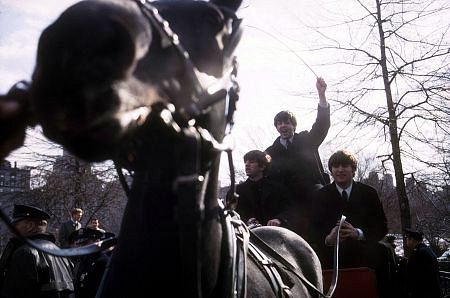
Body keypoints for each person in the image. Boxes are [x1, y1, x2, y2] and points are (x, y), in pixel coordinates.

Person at [309, 150, 389, 295]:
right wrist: (328, 239)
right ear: (331, 171)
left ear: (353, 170)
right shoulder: (320, 195)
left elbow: (382, 226)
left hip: (364, 255)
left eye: (345, 165)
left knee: (384, 254)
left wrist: (358, 233)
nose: (340, 170)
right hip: (331, 257)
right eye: (336, 166)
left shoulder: (369, 193)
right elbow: (313, 230)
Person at [265, 77, 330, 237]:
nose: (283, 126)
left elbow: (322, 124)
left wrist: (322, 96)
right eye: (279, 124)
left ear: (293, 125)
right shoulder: (270, 152)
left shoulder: (307, 140)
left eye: (286, 122)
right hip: (287, 204)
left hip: (312, 197)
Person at [0, 204, 74, 297]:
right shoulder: (59, 252)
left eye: (15, 225)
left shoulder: (24, 253)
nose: (11, 230)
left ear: (30, 226)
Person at [230, 150, 295, 228]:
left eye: (251, 162)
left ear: (262, 167)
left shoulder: (278, 189)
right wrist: (246, 221)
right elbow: (231, 213)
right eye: (246, 162)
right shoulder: (237, 191)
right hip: (247, 235)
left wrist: (278, 219)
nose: (247, 165)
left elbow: (289, 210)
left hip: (274, 234)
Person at [71, 228, 110, 298]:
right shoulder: (83, 260)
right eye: (78, 244)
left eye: (84, 243)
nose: (80, 247)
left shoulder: (102, 262)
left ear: (96, 242)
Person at [404, 228, 442, 298]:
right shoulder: (426, 249)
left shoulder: (417, 252)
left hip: (423, 292)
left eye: (407, 239)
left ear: (412, 239)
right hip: (432, 290)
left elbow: (413, 275)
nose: (406, 242)